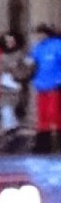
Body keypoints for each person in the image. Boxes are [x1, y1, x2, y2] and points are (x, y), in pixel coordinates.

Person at [0, 31, 33, 151]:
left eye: (11, 41)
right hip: (4, 89)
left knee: (12, 114)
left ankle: (12, 138)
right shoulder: (1, 56)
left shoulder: (23, 55)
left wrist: (18, 75)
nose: (9, 44)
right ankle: (11, 138)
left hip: (17, 89)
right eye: (7, 41)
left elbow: (28, 70)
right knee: (6, 113)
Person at [29, 23, 61, 153]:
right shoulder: (38, 47)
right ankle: (43, 143)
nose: (38, 36)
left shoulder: (57, 45)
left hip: (55, 85)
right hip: (41, 85)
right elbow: (31, 63)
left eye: (40, 34)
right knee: (42, 115)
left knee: (54, 113)